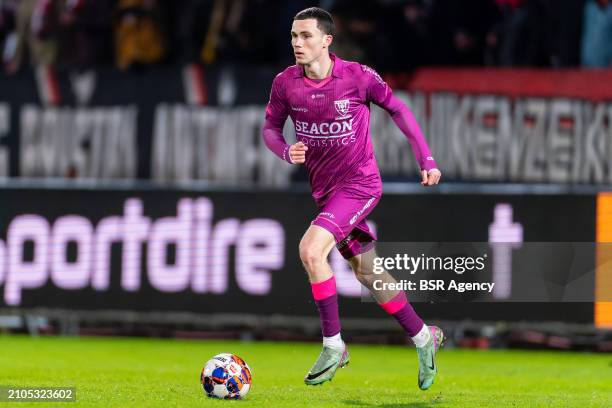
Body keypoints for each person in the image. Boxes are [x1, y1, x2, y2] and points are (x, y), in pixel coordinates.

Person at [262, 7, 444, 391]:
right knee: (367, 271)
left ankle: (334, 345)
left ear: (327, 40)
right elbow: (270, 128)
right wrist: (283, 151)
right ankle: (424, 336)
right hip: (326, 194)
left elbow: (398, 109)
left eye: (306, 36)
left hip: (360, 185)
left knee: (311, 250)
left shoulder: (358, 77)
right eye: (294, 36)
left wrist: (425, 158)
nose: (297, 43)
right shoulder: (285, 84)